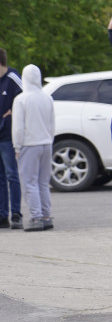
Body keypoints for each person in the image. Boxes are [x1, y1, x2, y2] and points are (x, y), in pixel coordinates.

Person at [12, 65, 55, 232]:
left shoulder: (21, 99)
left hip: (29, 145)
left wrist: (17, 145)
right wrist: (49, 139)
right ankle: (46, 216)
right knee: (43, 183)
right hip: (46, 143)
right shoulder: (47, 98)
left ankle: (35, 217)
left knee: (29, 183)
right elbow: (52, 123)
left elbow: (18, 127)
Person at [0, 48, 22, 229]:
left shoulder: (13, 78)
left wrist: (14, 111)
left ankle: (16, 213)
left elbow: (26, 99)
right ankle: (2, 215)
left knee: (11, 175)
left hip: (7, 136)